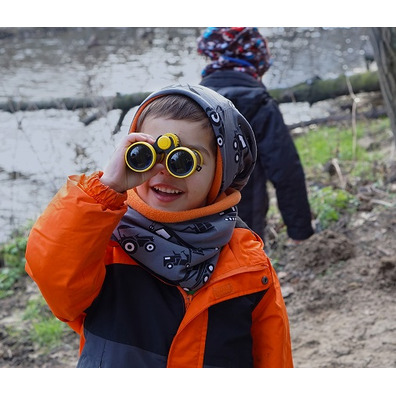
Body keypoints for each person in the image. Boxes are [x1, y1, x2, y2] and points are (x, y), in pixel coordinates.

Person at [25, 84, 293, 368]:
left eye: (183, 160)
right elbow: (53, 276)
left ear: (222, 171)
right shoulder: (105, 243)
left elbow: (272, 359)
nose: (163, 171)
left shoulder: (248, 266)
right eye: (146, 155)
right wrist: (107, 187)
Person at [198, 27, 314, 243]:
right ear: (257, 60)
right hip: (245, 219)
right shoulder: (260, 104)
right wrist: (300, 230)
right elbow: (286, 171)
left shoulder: (191, 103)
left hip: (191, 218)